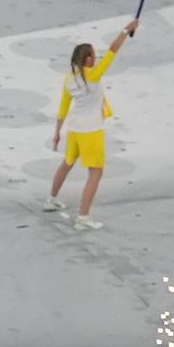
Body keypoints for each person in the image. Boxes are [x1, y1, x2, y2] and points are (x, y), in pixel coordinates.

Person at [45, 15, 137, 222]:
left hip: (74, 130)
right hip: (91, 131)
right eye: (93, 55)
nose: (96, 58)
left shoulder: (69, 80)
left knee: (67, 163)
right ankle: (83, 218)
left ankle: (51, 199)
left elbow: (62, 109)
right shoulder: (94, 76)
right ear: (87, 59)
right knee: (96, 173)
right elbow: (113, 50)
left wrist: (57, 134)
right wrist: (126, 30)